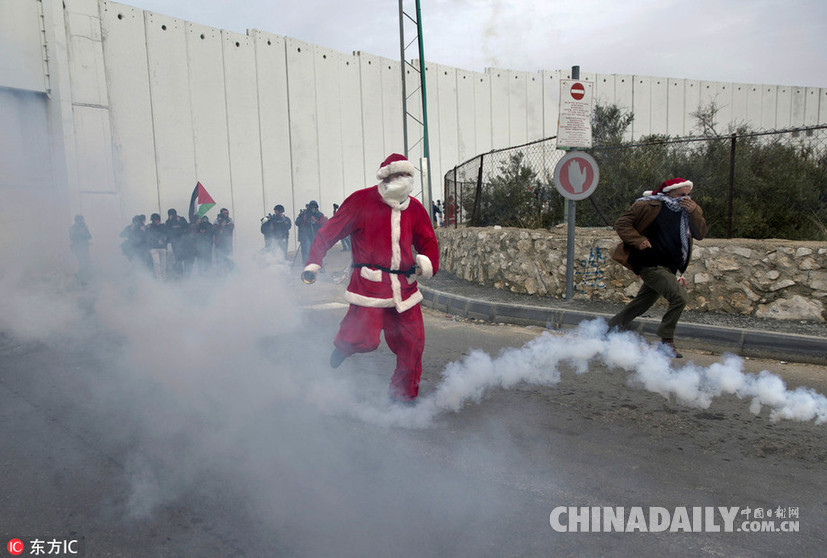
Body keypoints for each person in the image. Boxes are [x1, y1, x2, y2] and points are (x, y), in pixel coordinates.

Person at [301, 153, 439, 403]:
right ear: (386, 177)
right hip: (370, 288)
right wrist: (314, 262)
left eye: (407, 175)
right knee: (361, 338)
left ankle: (402, 397)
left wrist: (427, 262)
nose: (404, 180)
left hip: (405, 290)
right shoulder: (360, 201)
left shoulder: (415, 208)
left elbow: (428, 240)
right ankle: (343, 347)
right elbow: (329, 232)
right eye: (399, 175)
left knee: (413, 344)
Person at [608, 177, 707, 358]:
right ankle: (666, 341)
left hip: (670, 266)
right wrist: (637, 240)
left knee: (642, 303)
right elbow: (622, 224)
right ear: (668, 193)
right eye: (681, 194)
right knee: (679, 297)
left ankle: (607, 330)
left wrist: (694, 213)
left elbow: (700, 233)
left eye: (688, 194)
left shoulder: (689, 210)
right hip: (649, 263)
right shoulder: (647, 205)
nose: (685, 198)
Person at [165, 208, 190, 277]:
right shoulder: (168, 221)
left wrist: (180, 222)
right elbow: (167, 231)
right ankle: (180, 273)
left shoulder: (181, 219)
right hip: (175, 242)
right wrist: (170, 220)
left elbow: (187, 227)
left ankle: (187, 272)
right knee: (178, 258)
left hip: (183, 241)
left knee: (186, 257)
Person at [68, 215, 92, 285]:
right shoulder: (72, 228)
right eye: (79, 220)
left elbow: (90, 236)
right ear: (76, 221)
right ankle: (80, 279)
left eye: (81, 220)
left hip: (85, 248)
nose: (81, 222)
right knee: (80, 263)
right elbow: (72, 237)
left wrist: (84, 234)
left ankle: (85, 278)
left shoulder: (84, 227)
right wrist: (79, 234)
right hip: (77, 248)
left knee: (86, 263)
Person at [146, 213, 169, 280]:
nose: (157, 221)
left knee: (163, 264)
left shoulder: (163, 227)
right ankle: (159, 278)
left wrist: (164, 243)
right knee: (157, 263)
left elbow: (167, 235)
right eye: (156, 220)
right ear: (153, 220)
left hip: (162, 247)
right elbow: (148, 237)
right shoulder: (149, 227)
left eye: (158, 220)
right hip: (153, 248)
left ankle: (164, 277)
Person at [213, 207, 235, 275]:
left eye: (227, 213)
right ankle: (219, 274)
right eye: (224, 213)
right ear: (221, 213)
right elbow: (214, 229)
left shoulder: (230, 220)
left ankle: (229, 273)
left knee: (228, 258)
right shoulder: (217, 220)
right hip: (219, 243)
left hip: (228, 243)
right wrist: (221, 226)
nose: (226, 214)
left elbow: (231, 227)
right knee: (219, 259)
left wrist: (223, 227)